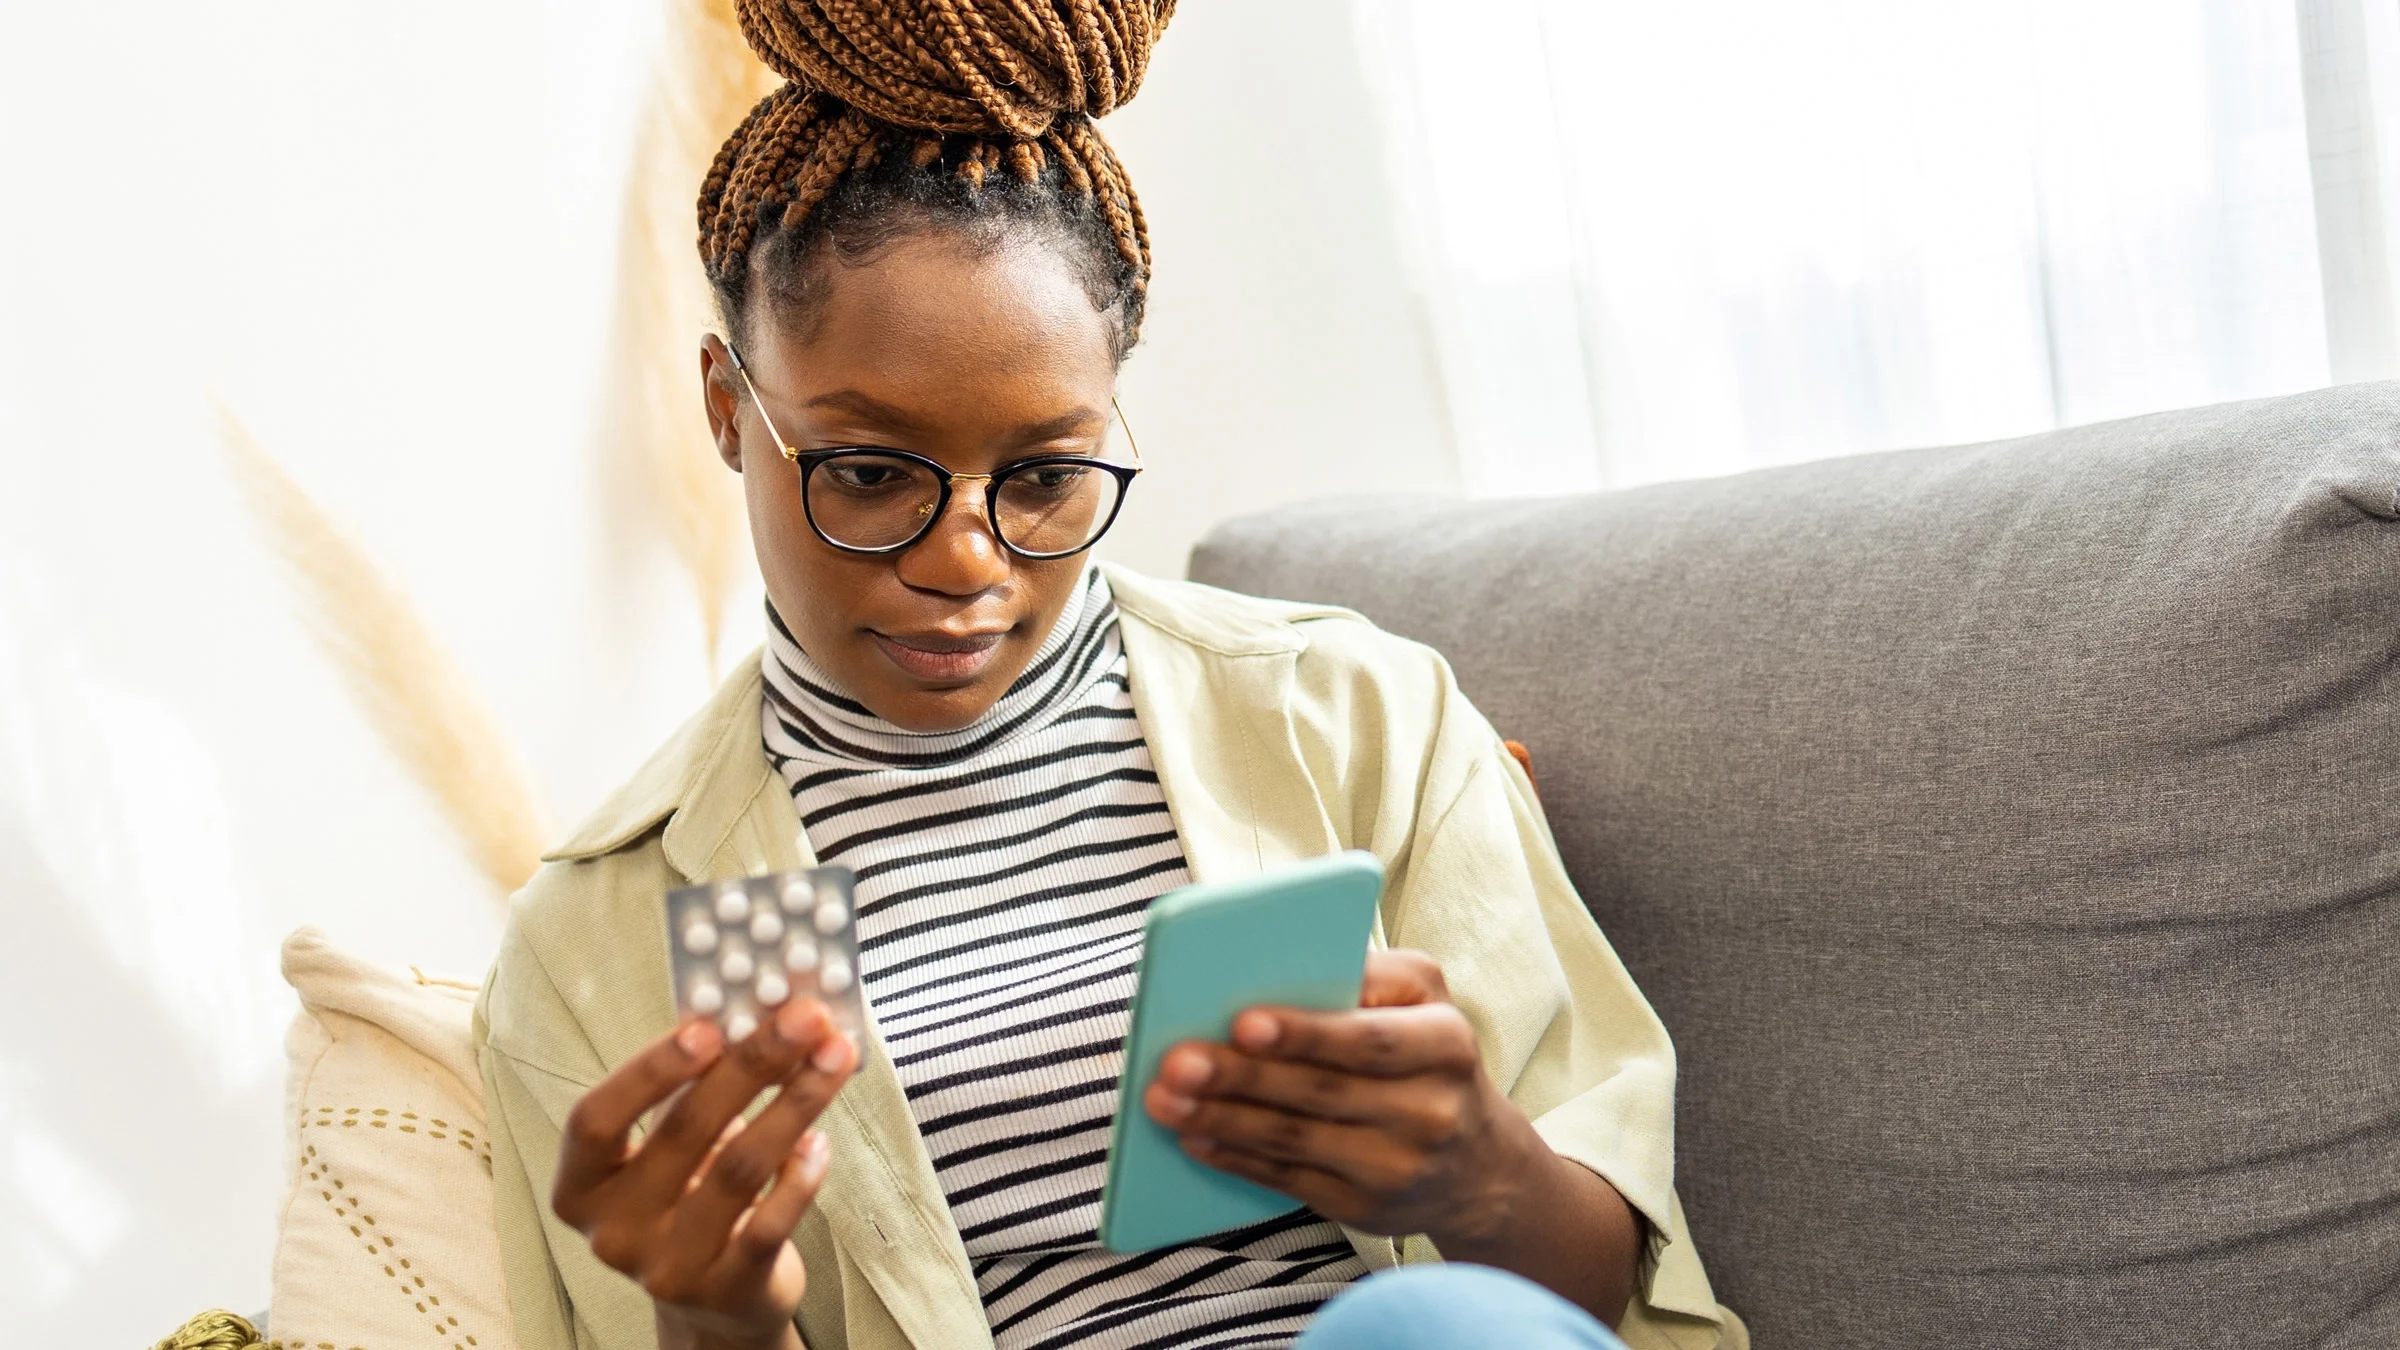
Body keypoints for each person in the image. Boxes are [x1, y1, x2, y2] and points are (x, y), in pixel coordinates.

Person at [473, 4, 1745, 1349]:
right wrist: (708, 1320)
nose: (968, 560)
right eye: (867, 473)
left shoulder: (1359, 718)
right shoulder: (594, 948)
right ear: (731, 407)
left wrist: (1479, 1171)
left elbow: (1603, 1295)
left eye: (1048, 477)